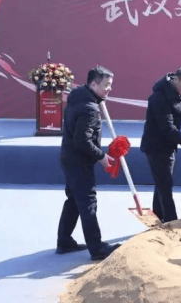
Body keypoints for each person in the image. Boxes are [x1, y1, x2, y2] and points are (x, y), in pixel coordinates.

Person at [56, 65, 121, 261]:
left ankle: (64, 241)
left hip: (69, 158)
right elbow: (83, 140)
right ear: (93, 84)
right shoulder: (89, 108)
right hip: (79, 162)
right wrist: (101, 157)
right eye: (106, 85)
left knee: (74, 201)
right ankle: (97, 247)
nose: (109, 89)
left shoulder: (78, 99)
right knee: (88, 202)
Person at [140, 66, 181, 223]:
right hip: (156, 147)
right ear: (176, 79)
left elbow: (177, 104)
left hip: (168, 146)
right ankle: (171, 222)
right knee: (165, 185)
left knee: (162, 183)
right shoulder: (159, 98)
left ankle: (157, 216)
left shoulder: (176, 93)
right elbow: (168, 129)